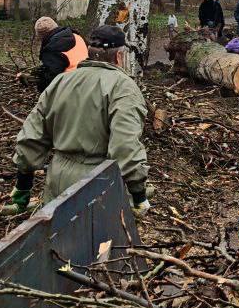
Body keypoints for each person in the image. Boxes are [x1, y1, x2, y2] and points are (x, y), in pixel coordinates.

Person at [12, 25, 149, 213]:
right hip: (97, 184)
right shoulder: (122, 87)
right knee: (97, 241)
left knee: (58, 238)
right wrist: (138, 194)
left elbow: (33, 135)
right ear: (119, 56)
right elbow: (125, 145)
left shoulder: (61, 81)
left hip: (57, 180)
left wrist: (23, 185)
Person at [33, 16, 88, 93]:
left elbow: (50, 77)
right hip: (88, 80)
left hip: (71, 85)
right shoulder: (77, 36)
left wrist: (41, 90)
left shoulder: (52, 47)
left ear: (42, 36)